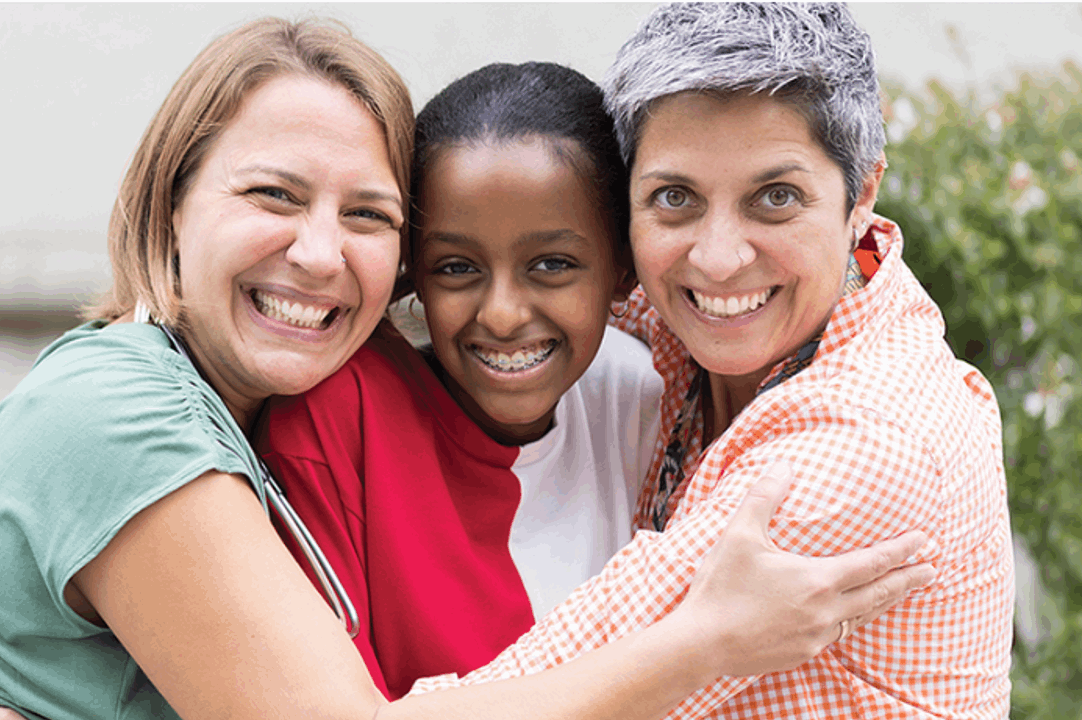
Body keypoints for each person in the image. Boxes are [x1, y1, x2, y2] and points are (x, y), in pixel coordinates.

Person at [0, 16, 935, 720]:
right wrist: (704, 641)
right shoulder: (115, 412)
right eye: (272, 195)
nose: (320, 255)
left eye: (366, 214)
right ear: (171, 202)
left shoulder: (235, 409)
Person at [410, 4, 1015, 719]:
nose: (719, 260)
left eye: (776, 198)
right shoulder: (717, 320)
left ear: (864, 193)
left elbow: (523, 697)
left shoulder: (864, 444)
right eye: (675, 198)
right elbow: (548, 295)